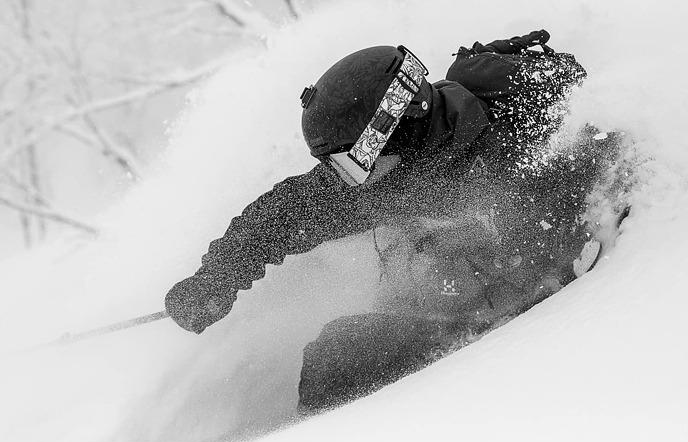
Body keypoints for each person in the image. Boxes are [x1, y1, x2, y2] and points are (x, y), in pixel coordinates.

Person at [165, 30, 616, 412]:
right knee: (337, 359)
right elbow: (279, 216)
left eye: (349, 162)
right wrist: (216, 280)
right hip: (453, 313)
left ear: (397, 127)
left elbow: (612, 131)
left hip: (556, 317)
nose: (347, 179)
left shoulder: (518, 117)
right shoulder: (385, 180)